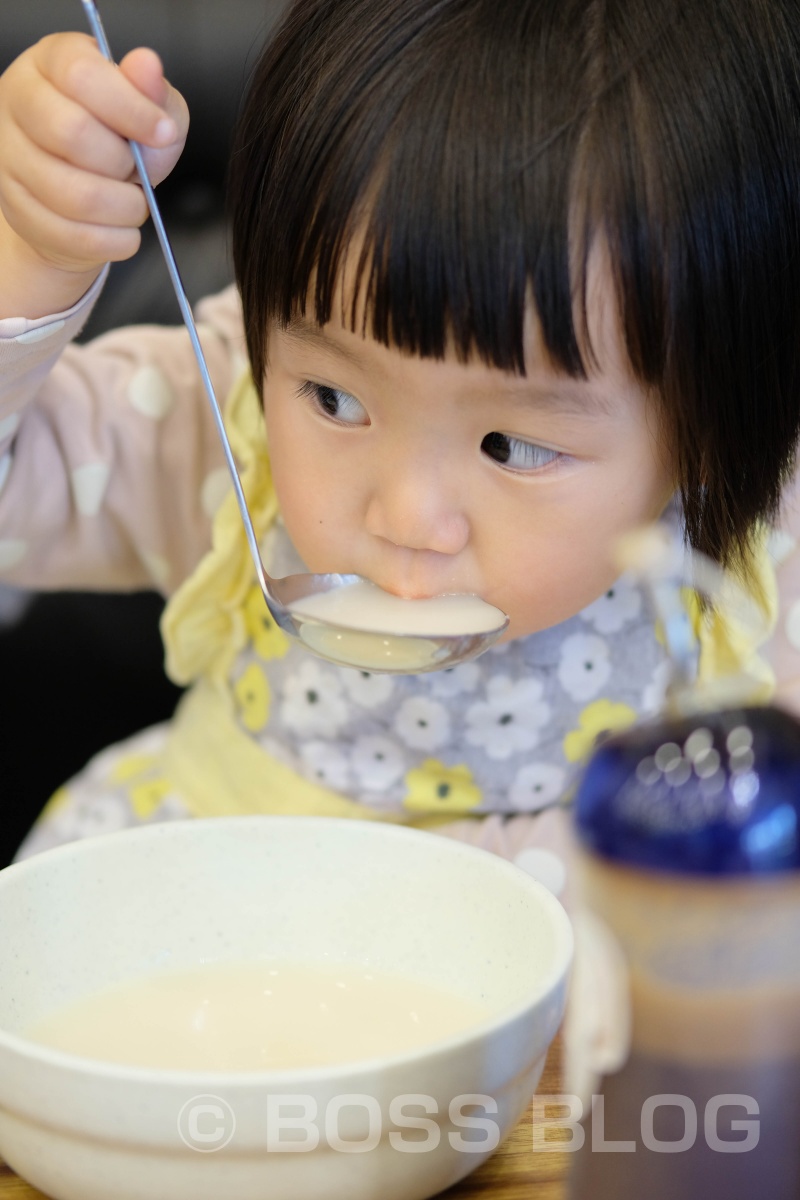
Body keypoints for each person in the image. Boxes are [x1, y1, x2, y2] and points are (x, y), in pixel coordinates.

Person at [1, 0, 799, 897]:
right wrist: (29, 257)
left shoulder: (763, 545)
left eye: (513, 445)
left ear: (715, 423)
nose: (409, 518)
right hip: (208, 935)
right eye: (336, 399)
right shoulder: (226, 408)